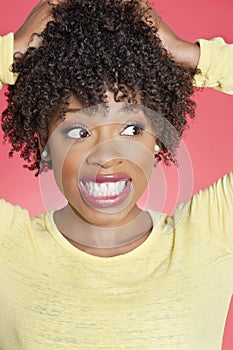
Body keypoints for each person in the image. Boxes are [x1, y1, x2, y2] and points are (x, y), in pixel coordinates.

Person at [0, 0, 232, 349]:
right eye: (78, 131)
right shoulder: (9, 247)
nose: (107, 157)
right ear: (44, 141)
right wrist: (14, 51)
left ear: (157, 138)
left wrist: (186, 54)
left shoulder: (211, 235)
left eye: (131, 129)